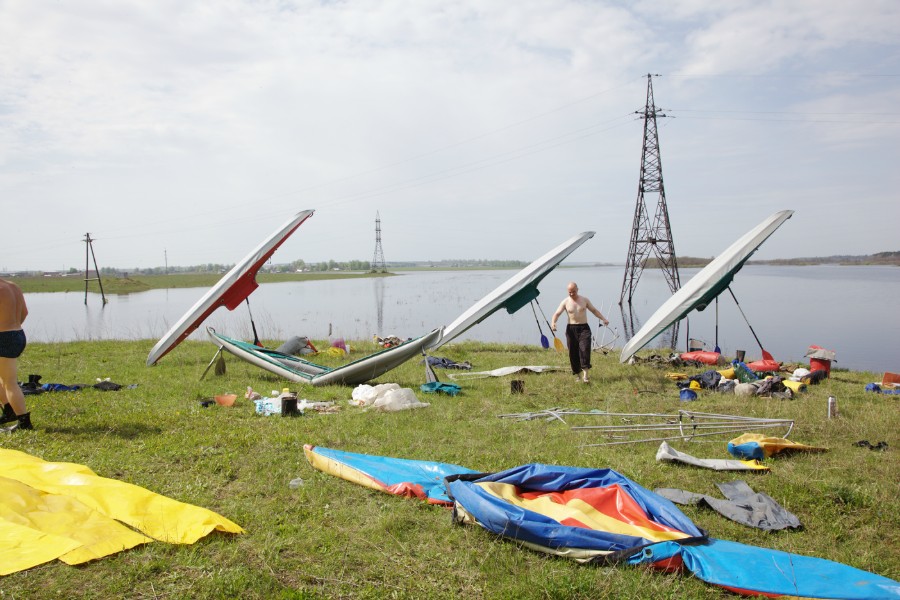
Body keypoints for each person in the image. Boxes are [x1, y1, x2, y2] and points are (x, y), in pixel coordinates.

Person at [551, 281, 608, 383]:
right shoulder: (565, 302)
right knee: (573, 352)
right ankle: (578, 374)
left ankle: (585, 375)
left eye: (573, 291)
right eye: (570, 292)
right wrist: (553, 323)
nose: (572, 294)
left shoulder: (584, 300)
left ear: (577, 289)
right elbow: (557, 313)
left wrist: (603, 319)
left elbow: (594, 310)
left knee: (584, 349)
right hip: (571, 329)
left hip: (584, 328)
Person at [0, 278, 32, 432]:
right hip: (18, 333)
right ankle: (9, 410)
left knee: (10, 382)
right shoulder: (13, 286)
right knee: (5, 379)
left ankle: (24, 423)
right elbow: (24, 313)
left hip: (3, 337)